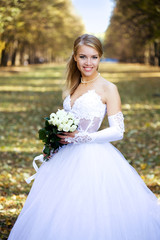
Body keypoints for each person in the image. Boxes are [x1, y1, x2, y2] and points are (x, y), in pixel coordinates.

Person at [8, 34, 160, 240]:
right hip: (65, 157)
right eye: (83, 57)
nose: (88, 63)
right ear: (75, 58)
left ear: (100, 58)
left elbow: (118, 130)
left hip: (93, 158)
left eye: (94, 57)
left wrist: (82, 137)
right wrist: (56, 140)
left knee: (91, 211)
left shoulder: (108, 88)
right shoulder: (74, 85)